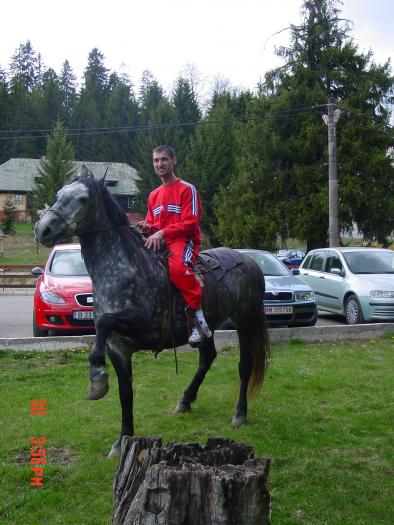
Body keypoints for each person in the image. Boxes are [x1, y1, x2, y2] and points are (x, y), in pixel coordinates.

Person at [138, 145, 212, 346]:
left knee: (178, 270)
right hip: (160, 242)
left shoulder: (188, 190)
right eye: (156, 160)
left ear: (173, 161)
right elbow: (153, 223)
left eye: (163, 159)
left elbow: (191, 223)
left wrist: (162, 232)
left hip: (183, 241)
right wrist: (148, 227)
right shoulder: (153, 195)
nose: (159, 164)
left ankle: (199, 321)